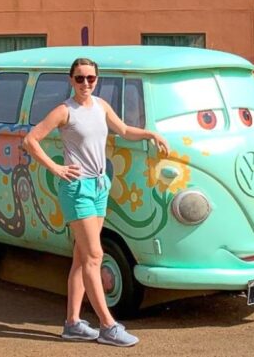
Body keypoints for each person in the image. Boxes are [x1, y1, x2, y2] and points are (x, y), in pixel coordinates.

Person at [23, 57, 169, 347]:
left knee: (82, 256)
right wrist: (56, 168)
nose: (85, 83)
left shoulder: (101, 106)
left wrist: (151, 134)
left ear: (97, 79)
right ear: (71, 80)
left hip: (99, 186)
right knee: (94, 256)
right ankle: (107, 325)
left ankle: (72, 323)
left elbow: (124, 130)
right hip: (77, 189)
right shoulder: (65, 111)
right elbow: (30, 140)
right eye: (80, 78)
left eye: (90, 78)